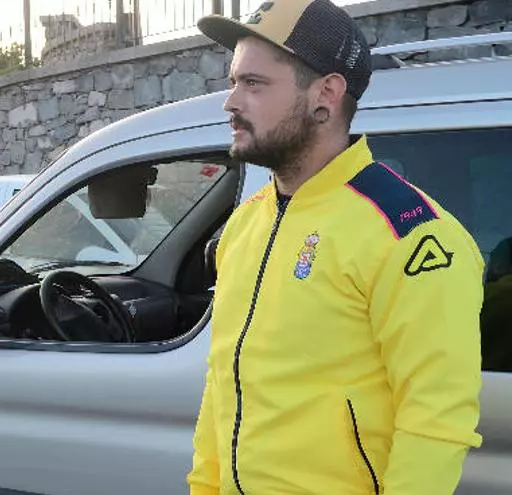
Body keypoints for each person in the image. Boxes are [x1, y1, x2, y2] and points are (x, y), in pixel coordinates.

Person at [188, 1, 485, 494]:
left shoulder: (410, 236)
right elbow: (222, 384)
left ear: (326, 93)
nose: (230, 102)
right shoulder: (244, 225)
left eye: (254, 84)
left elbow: (436, 421)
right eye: (233, 81)